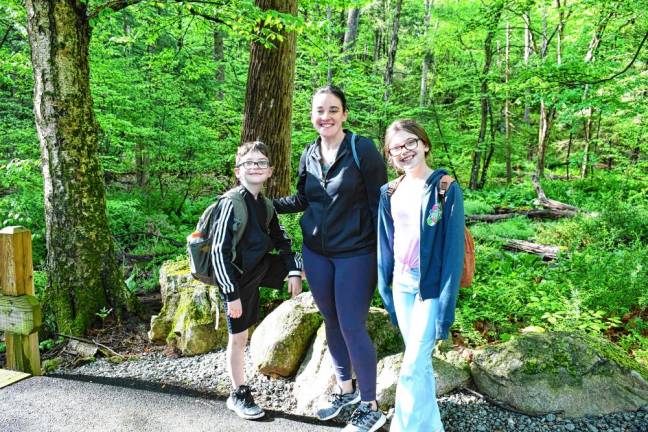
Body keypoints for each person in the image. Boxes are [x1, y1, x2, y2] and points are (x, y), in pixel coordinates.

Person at [274, 85, 388, 432]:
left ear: (345, 114)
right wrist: (263, 205)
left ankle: (371, 406)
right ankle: (346, 392)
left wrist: (386, 254)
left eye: (333, 110)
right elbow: (304, 199)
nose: (325, 117)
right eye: (319, 111)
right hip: (317, 253)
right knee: (331, 322)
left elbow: (379, 204)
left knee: (352, 325)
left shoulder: (361, 150)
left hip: (357, 253)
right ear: (312, 115)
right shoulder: (309, 152)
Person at [377, 119, 465, 432]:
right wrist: (384, 287)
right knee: (420, 364)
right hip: (401, 284)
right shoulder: (389, 191)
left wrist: (446, 303)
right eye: (395, 147)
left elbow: (454, 252)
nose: (404, 151)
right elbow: (385, 244)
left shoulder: (445, 187)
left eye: (410, 143)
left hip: (430, 286)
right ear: (389, 155)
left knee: (413, 365)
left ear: (424, 144)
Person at [211, 141, 303, 420]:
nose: (256, 167)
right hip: (237, 280)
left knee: (306, 264)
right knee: (239, 338)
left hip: (260, 267)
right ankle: (238, 392)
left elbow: (282, 240)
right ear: (238, 171)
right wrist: (230, 295)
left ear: (270, 171)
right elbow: (218, 251)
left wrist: (294, 271)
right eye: (249, 163)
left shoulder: (265, 205)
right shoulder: (230, 203)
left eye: (261, 163)